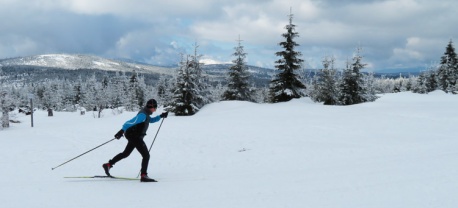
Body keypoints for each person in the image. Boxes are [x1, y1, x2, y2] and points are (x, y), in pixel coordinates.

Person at [102, 99, 168, 182]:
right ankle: (144, 176)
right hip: (134, 136)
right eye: (155, 107)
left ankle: (108, 164)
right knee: (146, 155)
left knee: (125, 153)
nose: (155, 109)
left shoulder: (146, 114)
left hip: (134, 136)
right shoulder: (143, 115)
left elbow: (150, 120)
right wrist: (121, 131)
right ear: (151, 107)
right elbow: (130, 122)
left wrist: (161, 116)